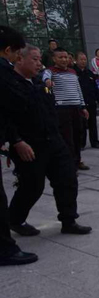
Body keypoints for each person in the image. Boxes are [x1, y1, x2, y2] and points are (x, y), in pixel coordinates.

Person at [9, 45, 92, 237]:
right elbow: (6, 118)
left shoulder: (39, 83)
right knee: (32, 186)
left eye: (40, 60)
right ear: (19, 59)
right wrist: (16, 141)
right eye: (35, 59)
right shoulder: (10, 84)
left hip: (53, 139)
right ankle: (14, 219)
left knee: (67, 178)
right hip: (29, 144)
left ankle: (69, 220)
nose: (39, 64)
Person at [0, 26, 38, 265]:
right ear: (7, 50)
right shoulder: (4, 73)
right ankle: (5, 250)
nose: (16, 59)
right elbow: (16, 104)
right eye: (16, 54)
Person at [43, 48, 90, 171]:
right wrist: (47, 81)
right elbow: (45, 77)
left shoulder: (73, 72)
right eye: (60, 57)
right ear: (54, 59)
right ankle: (70, 165)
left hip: (76, 107)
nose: (64, 60)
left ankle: (77, 160)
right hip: (62, 109)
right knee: (67, 137)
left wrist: (83, 106)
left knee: (78, 136)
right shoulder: (51, 71)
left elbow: (78, 89)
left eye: (66, 57)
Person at [75, 52, 99, 150]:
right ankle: (81, 143)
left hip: (91, 101)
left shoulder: (90, 73)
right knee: (81, 125)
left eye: (84, 59)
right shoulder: (73, 73)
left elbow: (97, 87)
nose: (83, 61)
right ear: (76, 60)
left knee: (93, 123)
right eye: (81, 59)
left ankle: (95, 142)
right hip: (80, 103)